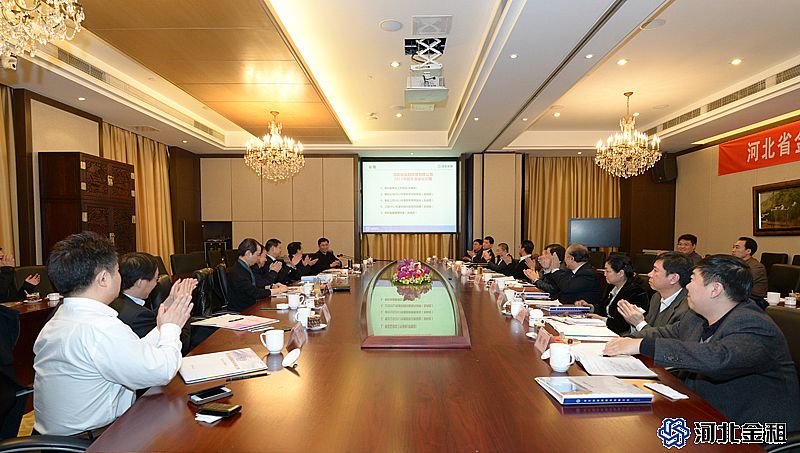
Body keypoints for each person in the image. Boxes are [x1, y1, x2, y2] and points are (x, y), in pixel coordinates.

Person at [604, 255, 800, 430]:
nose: (687, 286)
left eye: (692, 280)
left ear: (715, 289)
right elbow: (665, 333)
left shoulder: (753, 324)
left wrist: (642, 345)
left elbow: (717, 358)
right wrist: (625, 341)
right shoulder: (696, 317)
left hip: (749, 428)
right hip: (702, 410)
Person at [33, 232, 195, 436]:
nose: (120, 277)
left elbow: (132, 353)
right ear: (103, 279)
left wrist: (163, 326)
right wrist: (172, 328)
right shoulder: (100, 328)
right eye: (117, 271)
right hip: (95, 440)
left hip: (57, 439)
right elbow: (161, 371)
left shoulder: (61, 317)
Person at [110, 253, 195, 354]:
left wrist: (171, 300)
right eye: (156, 279)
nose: (156, 284)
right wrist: (182, 305)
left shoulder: (115, 301)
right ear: (140, 283)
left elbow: (151, 318)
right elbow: (181, 346)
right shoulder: (137, 316)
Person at [619, 252, 692, 334]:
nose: (649, 274)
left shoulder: (688, 308)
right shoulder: (656, 297)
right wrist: (633, 320)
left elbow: (666, 339)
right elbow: (647, 328)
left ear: (673, 278)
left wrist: (639, 323)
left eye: (655, 270)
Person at [585, 255, 649, 335]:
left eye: (608, 271)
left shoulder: (636, 292)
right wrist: (591, 307)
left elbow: (624, 325)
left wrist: (602, 320)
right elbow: (604, 307)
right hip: (608, 329)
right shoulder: (612, 286)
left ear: (621, 273)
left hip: (623, 334)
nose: (604, 274)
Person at [227, 238, 287, 312]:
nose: (258, 258)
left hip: (250, 307)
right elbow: (255, 293)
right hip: (244, 311)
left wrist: (270, 287)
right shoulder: (239, 272)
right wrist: (279, 290)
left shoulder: (243, 267)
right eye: (257, 254)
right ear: (248, 254)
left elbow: (253, 286)